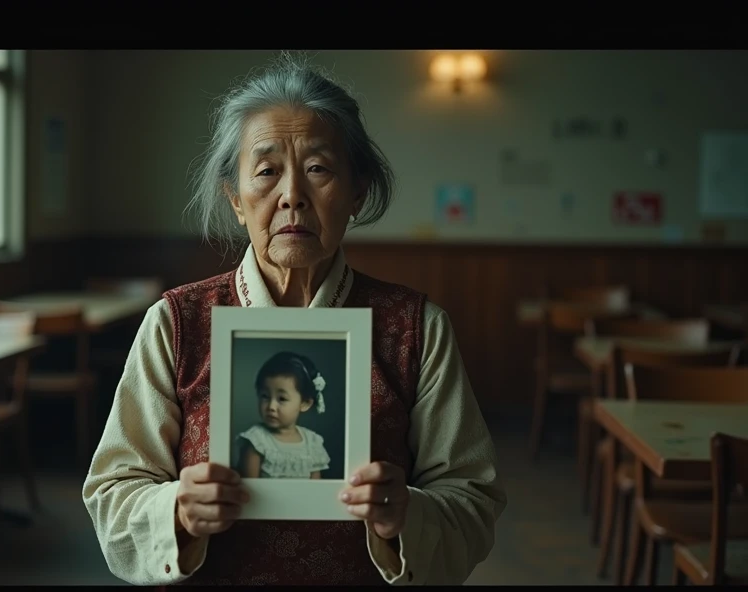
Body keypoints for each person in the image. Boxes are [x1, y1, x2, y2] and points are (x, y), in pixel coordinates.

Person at [83, 51, 507, 586]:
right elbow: (114, 490)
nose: (292, 197)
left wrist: (407, 514)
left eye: (318, 169)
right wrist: (177, 512)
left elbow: (471, 494)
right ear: (235, 199)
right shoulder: (176, 323)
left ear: (356, 192)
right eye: (266, 172)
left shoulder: (416, 328)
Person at [236, 351, 331, 480]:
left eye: (282, 399)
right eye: (265, 396)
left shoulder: (312, 443)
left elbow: (315, 489)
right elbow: (249, 488)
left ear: (304, 403)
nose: (271, 406)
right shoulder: (256, 441)